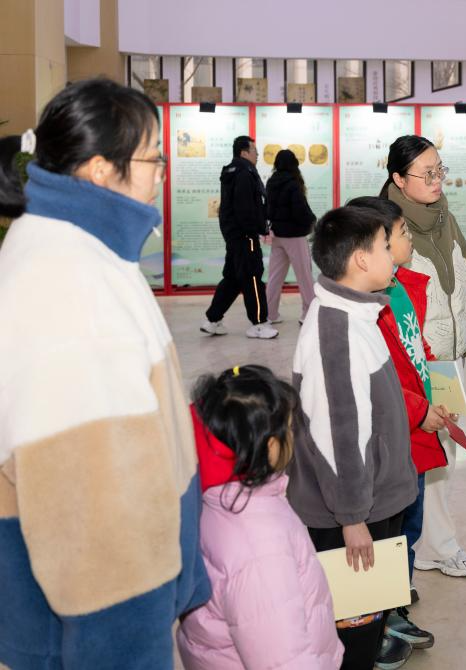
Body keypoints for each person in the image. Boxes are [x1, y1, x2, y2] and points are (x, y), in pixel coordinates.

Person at [0, 78, 210, 668]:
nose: (162, 171)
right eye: (153, 157)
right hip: (107, 621)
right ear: (100, 170)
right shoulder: (71, 290)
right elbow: (102, 536)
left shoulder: (76, 246)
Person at [286, 205, 419, 670]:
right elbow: (338, 434)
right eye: (385, 246)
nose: (393, 255)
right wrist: (352, 517)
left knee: (367, 625)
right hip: (354, 512)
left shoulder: (356, 313)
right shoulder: (335, 332)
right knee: (353, 640)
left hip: (370, 500)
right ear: (361, 259)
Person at [177, 365, 344, 669]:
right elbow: (282, 659)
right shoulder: (260, 548)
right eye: (289, 429)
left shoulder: (216, 497)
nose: (293, 437)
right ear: (270, 446)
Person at [349, 196, 447, 657]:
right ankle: (377, 623)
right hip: (392, 436)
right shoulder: (364, 307)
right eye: (402, 234)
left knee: (409, 522)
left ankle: (394, 604)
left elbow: (414, 352)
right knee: (385, 530)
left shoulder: (402, 288)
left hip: (416, 432)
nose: (409, 240)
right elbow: (377, 379)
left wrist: (440, 392)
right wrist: (418, 410)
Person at [381, 135, 466, 579]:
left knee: (444, 449)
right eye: (427, 173)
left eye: (440, 169)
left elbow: (462, 281)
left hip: (447, 359)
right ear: (399, 179)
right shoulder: (387, 227)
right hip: (415, 362)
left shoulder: (445, 217)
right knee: (425, 451)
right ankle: (435, 546)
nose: (438, 179)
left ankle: (426, 544)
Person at [201, 135, 278, 339]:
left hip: (234, 234)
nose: (257, 155)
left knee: (233, 278)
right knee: (253, 277)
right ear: (244, 152)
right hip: (245, 235)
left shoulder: (231, 171)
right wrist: (258, 228)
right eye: (254, 151)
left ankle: (212, 320)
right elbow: (246, 207)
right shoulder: (245, 173)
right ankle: (259, 324)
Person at [265, 148, 316, 325]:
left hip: (277, 234)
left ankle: (270, 314)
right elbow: (300, 210)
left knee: (275, 277)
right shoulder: (293, 183)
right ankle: (308, 314)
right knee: (305, 276)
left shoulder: (271, 182)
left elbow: (268, 209)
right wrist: (312, 221)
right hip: (294, 236)